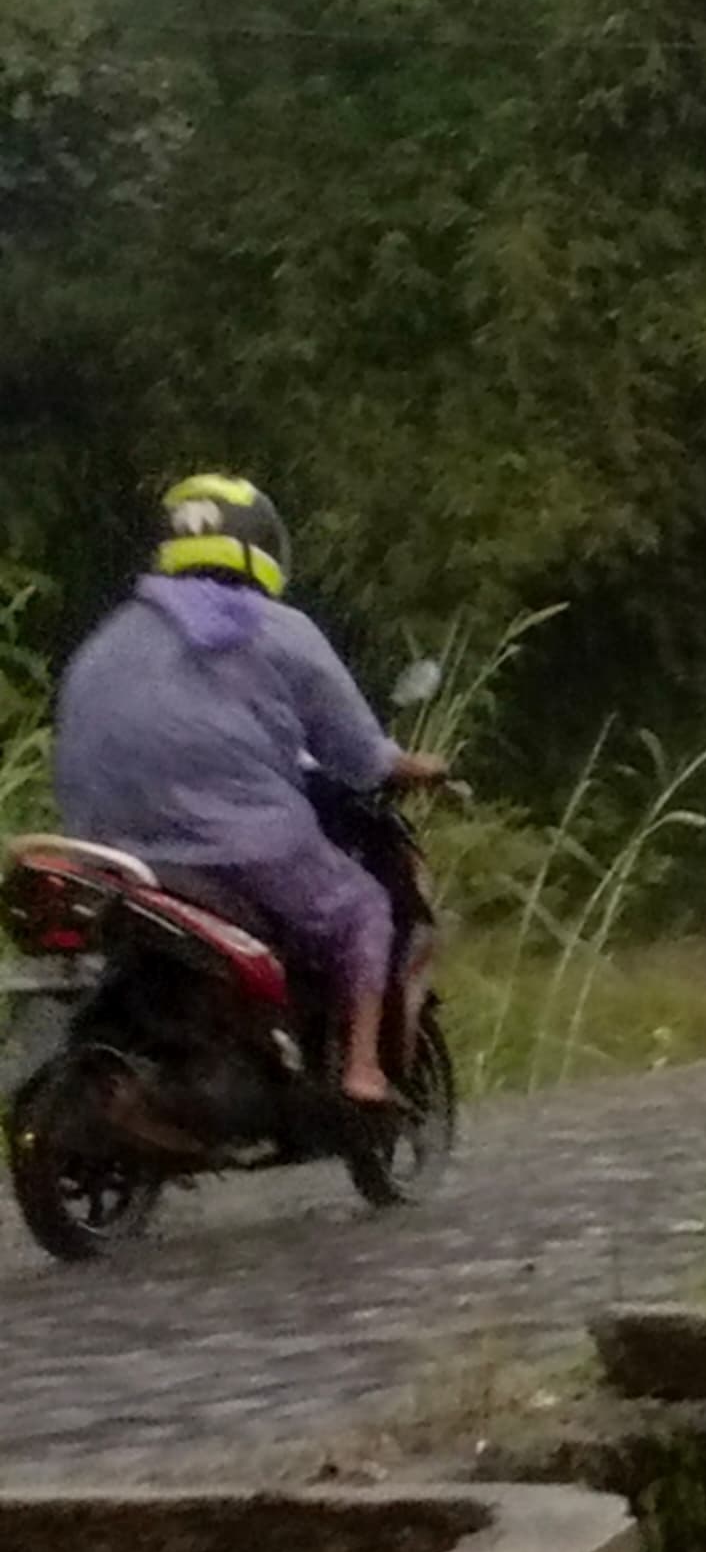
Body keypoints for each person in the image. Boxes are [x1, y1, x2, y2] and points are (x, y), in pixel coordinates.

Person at [48, 475, 446, 1108]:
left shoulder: (110, 636)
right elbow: (360, 755)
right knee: (363, 908)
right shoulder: (279, 629)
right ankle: (364, 1071)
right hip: (234, 844)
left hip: (101, 848)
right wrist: (413, 767)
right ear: (260, 545)